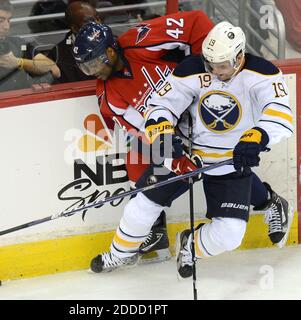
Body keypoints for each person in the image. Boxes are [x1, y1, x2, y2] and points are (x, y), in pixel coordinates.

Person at [144, 21, 293, 278]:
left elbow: (281, 114)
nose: (215, 71)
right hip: (191, 152)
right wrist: (162, 133)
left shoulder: (263, 73)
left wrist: (257, 136)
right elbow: (160, 104)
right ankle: (270, 202)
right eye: (210, 64)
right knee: (146, 197)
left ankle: (191, 243)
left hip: (235, 156)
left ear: (239, 56)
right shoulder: (192, 69)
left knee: (230, 236)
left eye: (222, 65)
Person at [73, 10, 214, 272]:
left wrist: (203, 72)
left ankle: (266, 200)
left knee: (227, 167)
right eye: (86, 68)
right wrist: (172, 149)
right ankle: (155, 230)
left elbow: (196, 23)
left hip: (207, 107)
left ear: (111, 52)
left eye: (94, 64)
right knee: (136, 160)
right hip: (175, 132)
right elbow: (135, 133)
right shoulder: (107, 96)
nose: (93, 73)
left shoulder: (139, 39)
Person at [55, 1, 101, 83]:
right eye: (90, 21)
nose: (97, 24)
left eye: (98, 18)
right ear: (75, 28)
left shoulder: (115, 42)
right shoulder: (58, 54)